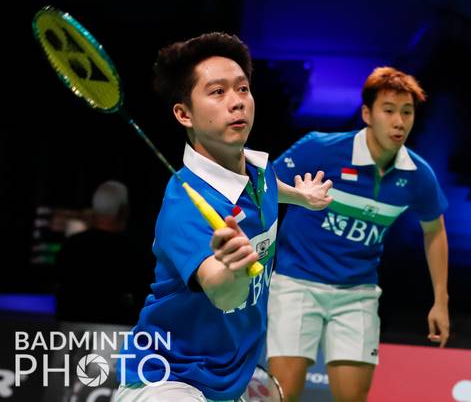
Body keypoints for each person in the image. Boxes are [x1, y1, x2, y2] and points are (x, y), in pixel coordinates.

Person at [115, 32, 332, 401]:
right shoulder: (185, 209)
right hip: (168, 379)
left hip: (229, 379)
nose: (237, 103)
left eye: (243, 89)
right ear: (184, 114)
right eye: (217, 92)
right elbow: (223, 293)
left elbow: (269, 186)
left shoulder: (259, 170)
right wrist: (232, 269)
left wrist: (302, 197)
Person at [267, 67, 450, 401]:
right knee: (283, 394)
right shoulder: (320, 149)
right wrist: (298, 197)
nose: (399, 122)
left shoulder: (418, 175)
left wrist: (440, 300)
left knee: (352, 398)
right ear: (367, 114)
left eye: (407, 112)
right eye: (389, 110)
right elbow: (263, 187)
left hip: (357, 293)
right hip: (297, 283)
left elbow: (434, 231)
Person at [55, 180, 146, 325]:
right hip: (116, 337)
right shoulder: (132, 252)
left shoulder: (71, 246)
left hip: (70, 337)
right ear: (124, 210)